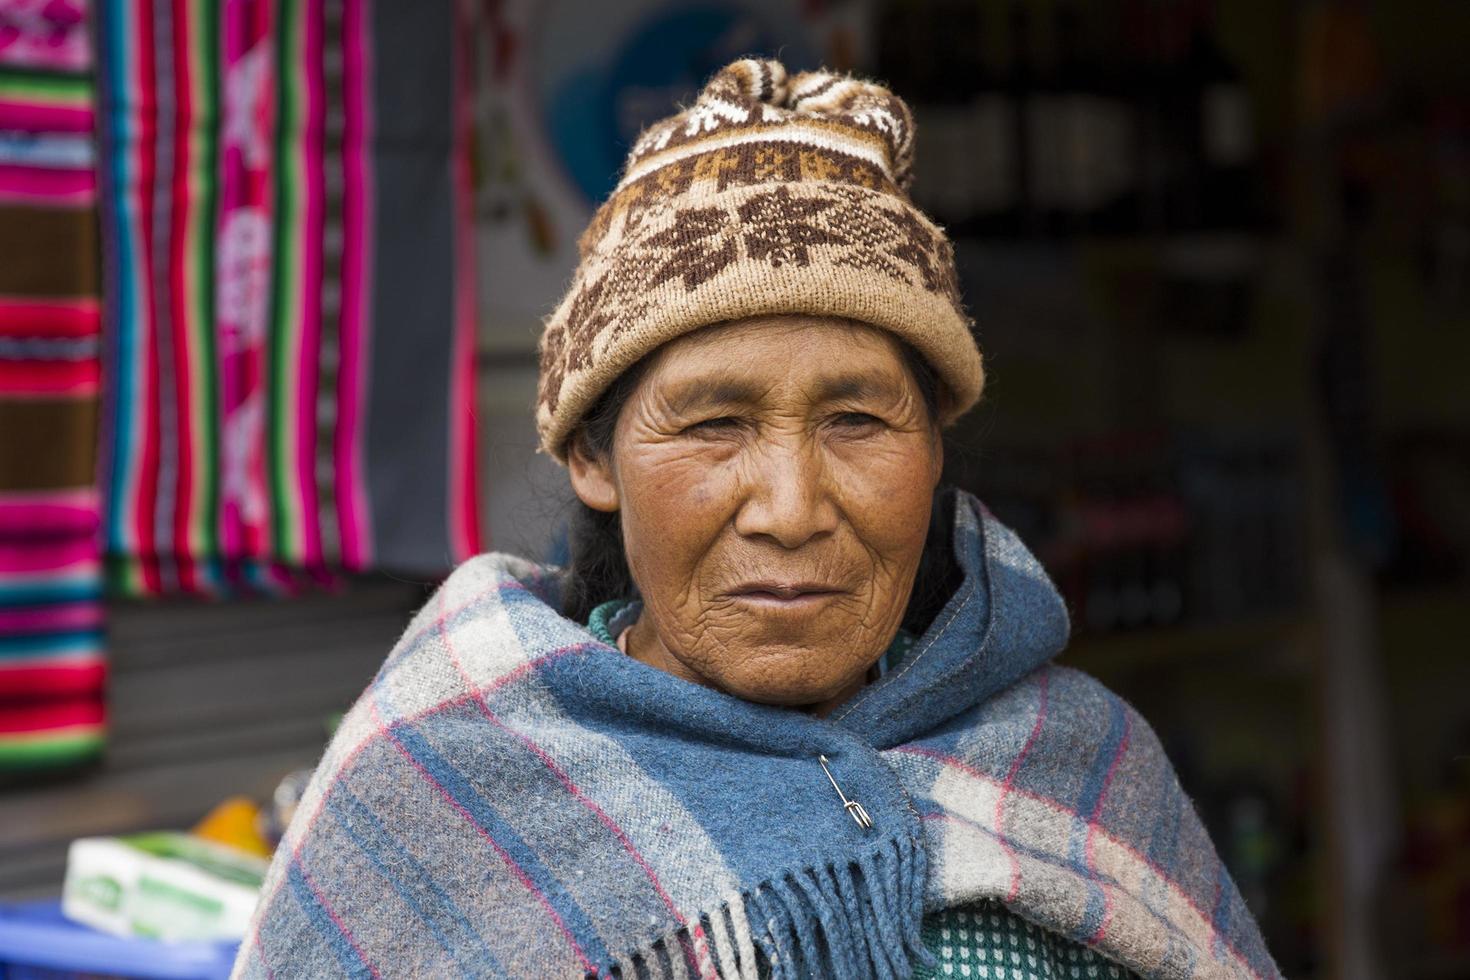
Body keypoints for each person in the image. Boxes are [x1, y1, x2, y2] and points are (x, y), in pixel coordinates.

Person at [233, 60, 1280, 979]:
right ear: (593, 456)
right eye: (715, 423)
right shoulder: (443, 794)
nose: (790, 508)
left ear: (936, 448)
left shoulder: (1081, 766)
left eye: (860, 419)